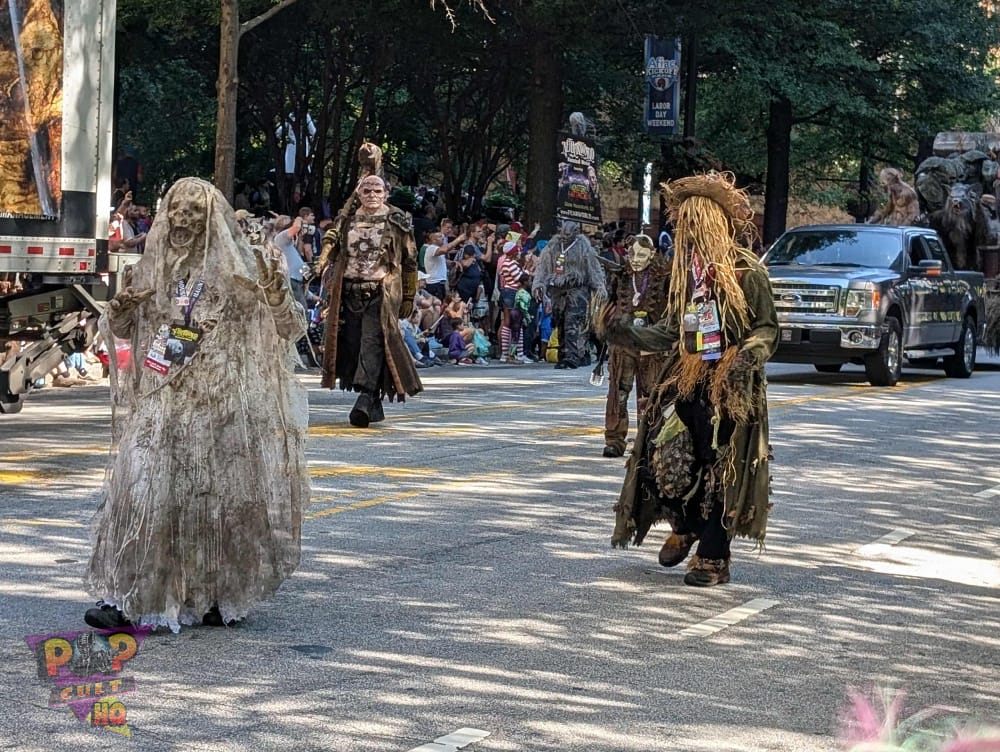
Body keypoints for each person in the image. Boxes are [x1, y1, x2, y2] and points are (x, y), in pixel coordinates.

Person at [84, 177, 309, 630]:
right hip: (164, 395)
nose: (182, 221)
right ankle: (125, 596)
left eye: (193, 212)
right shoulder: (154, 270)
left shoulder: (239, 270)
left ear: (210, 220)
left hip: (220, 401)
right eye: (176, 211)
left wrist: (275, 291)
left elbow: (288, 329)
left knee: (214, 499)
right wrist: (122, 309)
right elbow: (127, 332)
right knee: (142, 486)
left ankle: (212, 592)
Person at [603, 171, 778, 587]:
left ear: (710, 223)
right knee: (667, 456)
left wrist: (746, 356)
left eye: (688, 223)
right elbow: (667, 331)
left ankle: (713, 557)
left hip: (732, 384)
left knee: (724, 468)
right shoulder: (687, 275)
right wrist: (622, 331)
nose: (680, 231)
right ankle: (685, 523)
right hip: (689, 376)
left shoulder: (746, 272)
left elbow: (768, 330)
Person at [316, 144, 422, 427]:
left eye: (378, 191)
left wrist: (409, 296)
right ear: (359, 193)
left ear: (386, 193)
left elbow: (410, 260)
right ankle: (372, 397)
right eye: (367, 191)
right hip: (348, 292)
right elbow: (335, 253)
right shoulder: (347, 219)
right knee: (350, 344)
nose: (372, 195)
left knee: (372, 344)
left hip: (380, 293)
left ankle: (364, 399)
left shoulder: (398, 220)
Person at [600, 234, 671, 458]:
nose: (636, 259)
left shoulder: (664, 277)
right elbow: (609, 304)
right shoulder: (620, 277)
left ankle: (648, 439)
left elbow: (670, 310)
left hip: (651, 342)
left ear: (652, 255)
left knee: (650, 393)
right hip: (623, 343)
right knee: (619, 392)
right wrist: (606, 324)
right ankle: (615, 439)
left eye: (642, 255)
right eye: (632, 254)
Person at [531, 220, 607, 369]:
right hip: (558, 290)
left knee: (573, 322)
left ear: (575, 233)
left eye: (568, 233)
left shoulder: (584, 249)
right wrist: (539, 284)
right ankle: (568, 354)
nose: (564, 236)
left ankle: (572, 357)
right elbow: (543, 268)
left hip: (577, 290)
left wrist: (599, 286)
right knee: (559, 322)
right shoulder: (552, 247)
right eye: (562, 233)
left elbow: (593, 270)